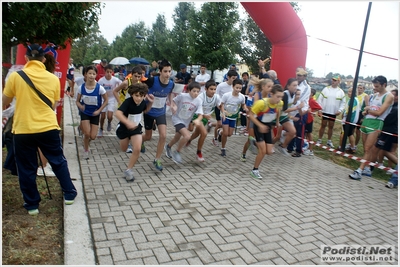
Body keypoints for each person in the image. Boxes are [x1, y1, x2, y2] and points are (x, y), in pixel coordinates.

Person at [2, 44, 77, 215]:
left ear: (27, 58)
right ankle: (69, 193)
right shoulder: (52, 79)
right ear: (43, 59)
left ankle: (32, 204)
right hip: (47, 127)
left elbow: (5, 99)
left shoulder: (15, 77)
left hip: (23, 129)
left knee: (26, 167)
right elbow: (52, 103)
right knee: (58, 161)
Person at [349, 75, 394, 180]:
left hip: (376, 123)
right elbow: (366, 110)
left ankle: (359, 170)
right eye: (374, 86)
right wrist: (366, 110)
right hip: (367, 121)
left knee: (368, 148)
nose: (374, 88)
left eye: (377, 86)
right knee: (366, 148)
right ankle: (367, 168)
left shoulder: (389, 96)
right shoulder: (374, 95)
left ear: (384, 85)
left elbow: (379, 112)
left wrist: (368, 110)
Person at [115, 83, 154, 182]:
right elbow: (118, 113)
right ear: (132, 94)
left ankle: (129, 170)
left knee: (137, 148)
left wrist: (151, 103)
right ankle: (126, 138)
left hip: (136, 128)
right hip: (124, 128)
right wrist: (127, 122)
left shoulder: (143, 102)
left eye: (141, 96)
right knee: (124, 149)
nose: (139, 98)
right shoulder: (127, 102)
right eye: (136, 95)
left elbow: (145, 111)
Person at [141, 59, 175, 171]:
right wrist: (146, 97)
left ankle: (157, 159)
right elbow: (141, 89)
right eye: (165, 71)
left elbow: (170, 93)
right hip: (149, 112)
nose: (168, 74)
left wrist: (171, 103)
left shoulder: (171, 84)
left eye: (169, 71)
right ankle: (140, 141)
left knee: (163, 135)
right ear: (160, 71)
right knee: (148, 136)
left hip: (161, 112)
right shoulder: (151, 80)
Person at [248, 84, 284, 179]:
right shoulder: (261, 103)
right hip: (259, 125)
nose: (279, 99)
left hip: (267, 126)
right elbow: (250, 115)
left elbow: (278, 110)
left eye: (281, 97)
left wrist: (277, 121)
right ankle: (254, 170)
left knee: (269, 152)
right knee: (263, 151)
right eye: (278, 96)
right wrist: (260, 125)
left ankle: (254, 142)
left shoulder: (280, 103)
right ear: (271, 94)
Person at [165, 82, 203, 164]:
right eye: (194, 91)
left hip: (186, 121)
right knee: (187, 136)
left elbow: (201, 114)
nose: (196, 93)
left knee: (177, 137)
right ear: (189, 90)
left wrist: (198, 120)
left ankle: (168, 147)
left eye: (198, 91)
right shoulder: (182, 96)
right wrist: (173, 106)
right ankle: (177, 152)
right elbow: (174, 101)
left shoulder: (199, 101)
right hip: (177, 119)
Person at [76, 65, 108, 160]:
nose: (91, 76)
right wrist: (80, 106)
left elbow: (106, 101)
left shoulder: (100, 88)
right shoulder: (81, 88)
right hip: (85, 112)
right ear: (86, 74)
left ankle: (87, 141)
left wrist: (99, 110)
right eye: (89, 73)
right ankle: (86, 150)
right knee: (87, 134)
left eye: (93, 74)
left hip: (95, 113)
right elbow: (77, 101)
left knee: (93, 136)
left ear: (96, 75)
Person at [186, 79, 220, 162]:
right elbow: (198, 109)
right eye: (211, 89)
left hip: (204, 118)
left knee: (197, 133)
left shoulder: (217, 97)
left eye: (214, 89)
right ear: (206, 89)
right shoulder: (201, 96)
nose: (213, 91)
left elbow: (219, 106)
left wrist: (224, 111)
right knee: (203, 133)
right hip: (196, 115)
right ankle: (199, 152)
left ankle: (189, 140)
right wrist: (204, 115)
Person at [242, 78, 273, 161]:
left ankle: (259, 149)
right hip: (255, 119)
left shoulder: (271, 96)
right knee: (250, 139)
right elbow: (256, 109)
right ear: (263, 87)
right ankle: (244, 153)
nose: (271, 88)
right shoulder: (257, 95)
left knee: (263, 143)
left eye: (272, 87)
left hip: (265, 121)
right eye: (269, 86)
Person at [218, 79, 247, 157]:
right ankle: (223, 149)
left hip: (233, 117)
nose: (238, 90)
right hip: (225, 116)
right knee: (226, 133)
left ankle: (220, 132)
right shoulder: (226, 95)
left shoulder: (242, 97)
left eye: (240, 88)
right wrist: (223, 112)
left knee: (230, 134)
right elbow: (221, 105)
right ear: (233, 87)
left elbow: (243, 104)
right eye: (236, 88)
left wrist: (245, 108)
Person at [316, 74, 346, 148]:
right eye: (332, 80)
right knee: (323, 125)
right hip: (325, 111)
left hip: (333, 112)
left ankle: (329, 141)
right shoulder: (326, 89)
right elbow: (320, 99)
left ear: (338, 82)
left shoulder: (341, 92)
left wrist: (340, 110)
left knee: (331, 126)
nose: (333, 81)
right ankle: (319, 139)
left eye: (335, 80)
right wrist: (320, 109)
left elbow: (343, 102)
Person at [213, 69, 238, 146]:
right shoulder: (221, 85)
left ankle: (220, 132)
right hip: (219, 106)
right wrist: (219, 106)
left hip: (228, 109)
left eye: (235, 78)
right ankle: (215, 138)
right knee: (219, 124)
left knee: (226, 130)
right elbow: (216, 96)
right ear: (228, 77)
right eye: (233, 78)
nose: (234, 80)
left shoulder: (234, 87)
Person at [275, 78, 299, 156]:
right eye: (294, 85)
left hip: (284, 116)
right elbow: (285, 109)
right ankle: (266, 145)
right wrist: (297, 108)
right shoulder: (285, 94)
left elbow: (290, 106)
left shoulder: (294, 94)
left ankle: (282, 147)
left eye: (297, 85)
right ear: (288, 86)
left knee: (293, 132)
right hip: (278, 116)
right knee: (277, 137)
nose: (296, 87)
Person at [97, 64, 122, 136]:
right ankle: (101, 129)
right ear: (105, 72)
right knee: (102, 116)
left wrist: (119, 90)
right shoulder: (101, 80)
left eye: (110, 72)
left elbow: (122, 84)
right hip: (103, 99)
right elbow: (98, 90)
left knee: (110, 116)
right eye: (107, 72)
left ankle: (109, 122)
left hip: (111, 99)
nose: (109, 74)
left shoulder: (115, 79)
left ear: (112, 72)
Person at [337, 87, 359, 152]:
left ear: (354, 93)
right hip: (351, 120)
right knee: (349, 134)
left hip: (349, 120)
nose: (348, 93)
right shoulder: (355, 99)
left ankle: (350, 147)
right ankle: (351, 147)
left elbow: (350, 110)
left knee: (348, 134)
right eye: (348, 91)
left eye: (350, 92)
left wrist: (344, 114)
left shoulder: (353, 100)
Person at [303, 88, 322, 156]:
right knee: (304, 134)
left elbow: (319, 107)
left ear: (311, 94)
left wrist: (313, 111)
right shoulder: (306, 99)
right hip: (304, 119)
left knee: (309, 134)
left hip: (309, 120)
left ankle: (311, 150)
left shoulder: (312, 101)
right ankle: (305, 146)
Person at [354, 84, 369, 151]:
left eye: (361, 88)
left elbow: (367, 106)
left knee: (358, 131)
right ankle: (351, 143)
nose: (359, 89)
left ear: (364, 89)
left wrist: (363, 117)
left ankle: (355, 145)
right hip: (354, 113)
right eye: (358, 88)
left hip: (360, 113)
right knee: (352, 130)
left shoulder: (365, 96)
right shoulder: (355, 95)